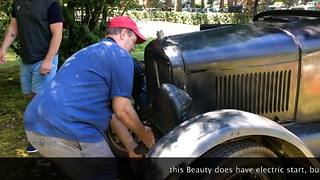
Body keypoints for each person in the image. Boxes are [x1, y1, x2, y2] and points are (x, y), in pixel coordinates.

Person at [24, 16, 155, 179]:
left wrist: (131, 147)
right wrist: (144, 133)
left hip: (36, 124)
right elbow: (123, 110)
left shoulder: (88, 53)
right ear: (123, 34)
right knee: (104, 171)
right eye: (134, 41)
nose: (134, 48)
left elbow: (113, 115)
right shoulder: (120, 56)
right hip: (66, 126)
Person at [0, 0, 63, 153]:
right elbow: (14, 26)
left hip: (44, 58)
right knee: (30, 95)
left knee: (39, 99)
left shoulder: (50, 4)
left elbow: (57, 33)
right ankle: (57, 121)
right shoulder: (18, 2)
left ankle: (40, 137)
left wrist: (48, 60)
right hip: (27, 58)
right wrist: (3, 48)